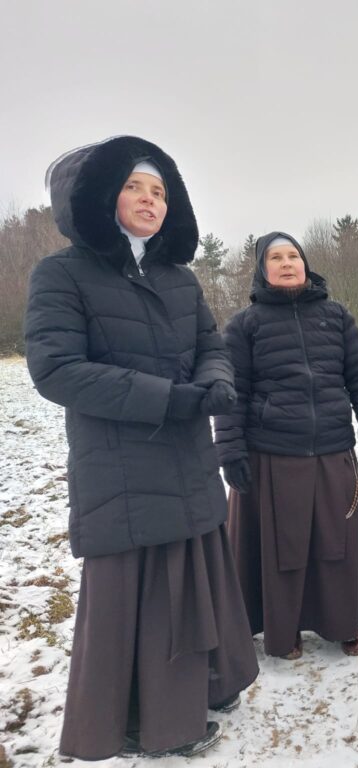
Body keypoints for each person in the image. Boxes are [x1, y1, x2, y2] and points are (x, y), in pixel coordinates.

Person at [24, 135, 258, 759]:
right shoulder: (61, 274)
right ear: (101, 196)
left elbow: (211, 344)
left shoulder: (178, 277)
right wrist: (164, 398)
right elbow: (56, 370)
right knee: (143, 596)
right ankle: (149, 722)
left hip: (186, 455)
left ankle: (210, 681)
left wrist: (216, 380)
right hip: (120, 465)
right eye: (134, 186)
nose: (150, 200)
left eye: (159, 191)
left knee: (196, 576)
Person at [214, 232, 358, 661]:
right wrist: (230, 451)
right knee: (284, 548)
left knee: (336, 543)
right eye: (276, 257)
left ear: (306, 264)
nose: (287, 263)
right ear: (262, 269)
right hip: (273, 452)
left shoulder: (336, 315)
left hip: (332, 447)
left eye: (293, 255)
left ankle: (342, 621)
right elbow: (232, 392)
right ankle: (283, 627)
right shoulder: (245, 325)